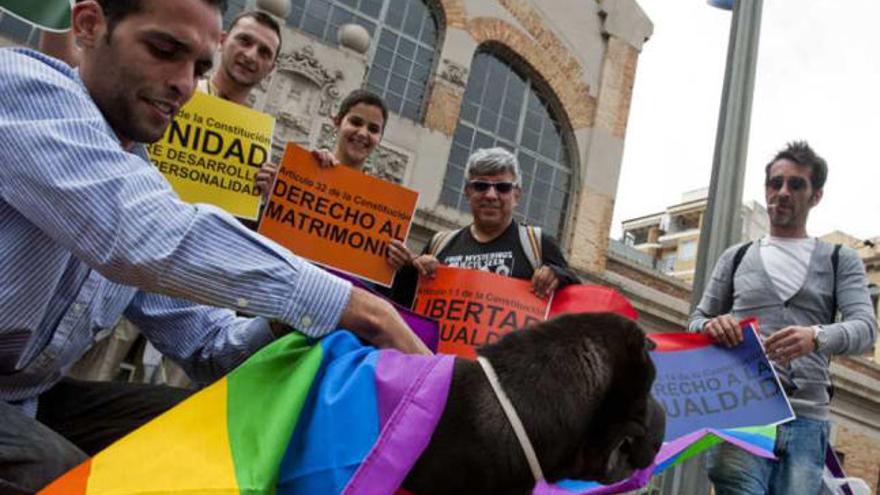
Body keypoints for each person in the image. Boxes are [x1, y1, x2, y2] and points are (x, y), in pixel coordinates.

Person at [0, 0, 428, 492]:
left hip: (31, 395)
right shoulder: (22, 88)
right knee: (75, 479)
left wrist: (288, 326)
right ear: (90, 25)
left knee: (216, 438)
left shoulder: (143, 175)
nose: (184, 83)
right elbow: (141, 233)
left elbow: (208, 345)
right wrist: (360, 309)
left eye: (200, 66)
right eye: (164, 50)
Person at [689, 141, 877, 495]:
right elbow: (697, 321)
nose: (783, 192)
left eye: (796, 185)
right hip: (742, 411)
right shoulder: (737, 257)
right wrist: (713, 326)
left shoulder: (841, 259)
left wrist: (816, 336)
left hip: (807, 418)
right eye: (776, 183)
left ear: (816, 196)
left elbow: (866, 329)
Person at [390, 147, 580, 308]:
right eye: (481, 186)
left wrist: (559, 275)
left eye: (502, 187)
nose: (490, 195)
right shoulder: (439, 244)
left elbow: (578, 298)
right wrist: (408, 269)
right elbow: (403, 306)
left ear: (517, 195)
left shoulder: (537, 244)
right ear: (467, 192)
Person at [254, 89, 415, 272]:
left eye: (373, 129)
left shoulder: (382, 211)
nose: (363, 133)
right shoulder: (300, 176)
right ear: (337, 122)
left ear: (379, 139)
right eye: (356, 122)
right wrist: (268, 199)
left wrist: (404, 261)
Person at [197, 9, 280, 106]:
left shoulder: (253, 121)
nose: (250, 56)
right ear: (223, 40)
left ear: (270, 69)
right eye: (244, 41)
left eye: (264, 52)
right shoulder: (181, 97)